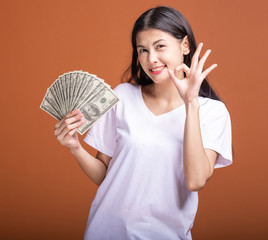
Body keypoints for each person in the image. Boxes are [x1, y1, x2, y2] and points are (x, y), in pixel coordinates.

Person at [54, 6, 232, 240]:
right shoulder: (122, 97)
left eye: (160, 46)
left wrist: (191, 104)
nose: (151, 59)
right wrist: (75, 148)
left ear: (185, 45)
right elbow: (109, 177)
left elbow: (196, 180)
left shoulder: (212, 112)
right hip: (104, 232)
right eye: (143, 50)